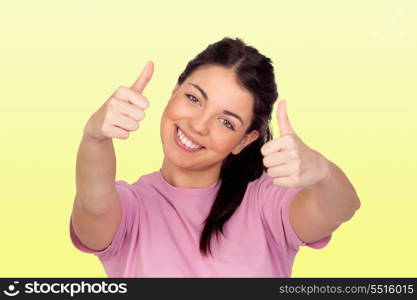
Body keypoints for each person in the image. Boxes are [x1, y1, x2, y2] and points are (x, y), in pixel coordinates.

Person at [69, 37, 361, 277]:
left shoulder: (266, 205)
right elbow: (93, 204)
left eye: (227, 122)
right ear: (174, 91)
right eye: (194, 98)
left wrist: (322, 171)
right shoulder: (130, 210)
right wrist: (95, 137)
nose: (198, 125)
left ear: (244, 140)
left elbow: (341, 208)